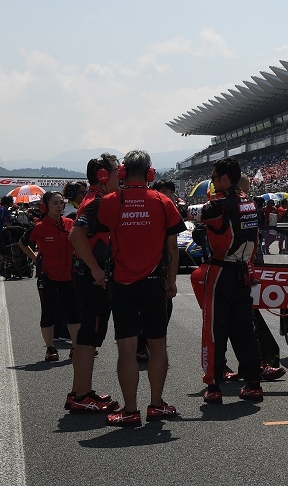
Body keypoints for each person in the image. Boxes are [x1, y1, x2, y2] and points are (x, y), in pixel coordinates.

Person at [73, 150, 183, 426]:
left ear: (122, 173)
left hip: (121, 284)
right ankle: (156, 405)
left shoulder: (110, 201)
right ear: (149, 174)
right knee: (157, 346)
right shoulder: (162, 201)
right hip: (154, 283)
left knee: (126, 349)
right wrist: (171, 280)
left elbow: (78, 233)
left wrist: (97, 270)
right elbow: (172, 247)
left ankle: (130, 410)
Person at [189, 157, 265, 405]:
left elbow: (188, 213)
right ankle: (253, 383)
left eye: (213, 177)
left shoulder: (218, 205)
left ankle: (213, 384)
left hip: (221, 272)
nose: (211, 182)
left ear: (224, 178)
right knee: (245, 330)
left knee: (214, 329)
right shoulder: (249, 203)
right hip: (244, 271)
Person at [66, 154, 121, 414]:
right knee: (89, 336)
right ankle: (82, 396)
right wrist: (96, 269)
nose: (119, 175)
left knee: (87, 335)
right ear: (102, 175)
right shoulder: (97, 201)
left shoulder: (95, 198)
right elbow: (76, 234)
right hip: (90, 277)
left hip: (86, 275)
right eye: (115, 171)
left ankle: (79, 391)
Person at [19, 191, 80, 363]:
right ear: (46, 206)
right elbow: (22, 244)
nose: (59, 206)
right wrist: (35, 258)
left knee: (74, 311)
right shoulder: (39, 227)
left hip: (69, 275)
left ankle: (76, 346)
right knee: (48, 312)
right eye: (55, 203)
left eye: (61, 203)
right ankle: (50, 348)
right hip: (48, 275)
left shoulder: (70, 223)